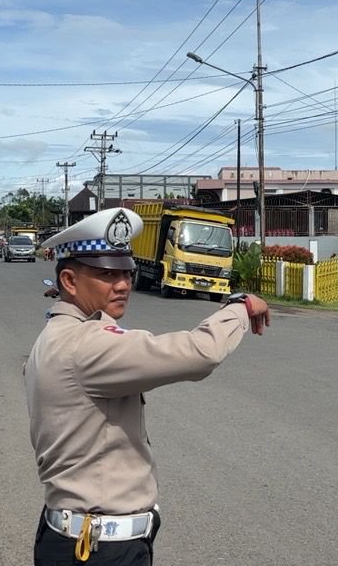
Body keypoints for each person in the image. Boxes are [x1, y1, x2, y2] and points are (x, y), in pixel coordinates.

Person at [25, 207, 269, 565]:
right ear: (69, 281)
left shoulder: (53, 336)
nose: (123, 284)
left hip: (75, 537)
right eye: (107, 274)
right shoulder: (88, 343)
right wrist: (240, 306)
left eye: (127, 272)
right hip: (99, 550)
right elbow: (201, 352)